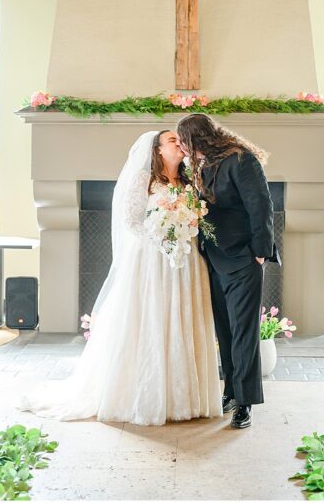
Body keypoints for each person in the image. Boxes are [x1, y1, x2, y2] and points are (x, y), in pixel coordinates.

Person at [19, 130, 220, 425]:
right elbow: (132, 221)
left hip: (186, 260)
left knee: (182, 318)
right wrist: (161, 240)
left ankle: (184, 398)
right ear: (158, 150)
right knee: (151, 319)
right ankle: (147, 397)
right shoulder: (144, 180)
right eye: (172, 141)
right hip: (152, 260)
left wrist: (183, 232)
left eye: (180, 140)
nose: (179, 144)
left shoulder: (190, 180)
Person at [176, 113, 278, 430]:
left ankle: (245, 403)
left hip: (244, 259)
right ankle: (231, 391)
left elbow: (261, 206)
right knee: (225, 331)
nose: (181, 148)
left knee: (244, 333)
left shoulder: (241, 160)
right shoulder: (201, 166)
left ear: (197, 138)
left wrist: (260, 252)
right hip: (214, 259)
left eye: (183, 141)